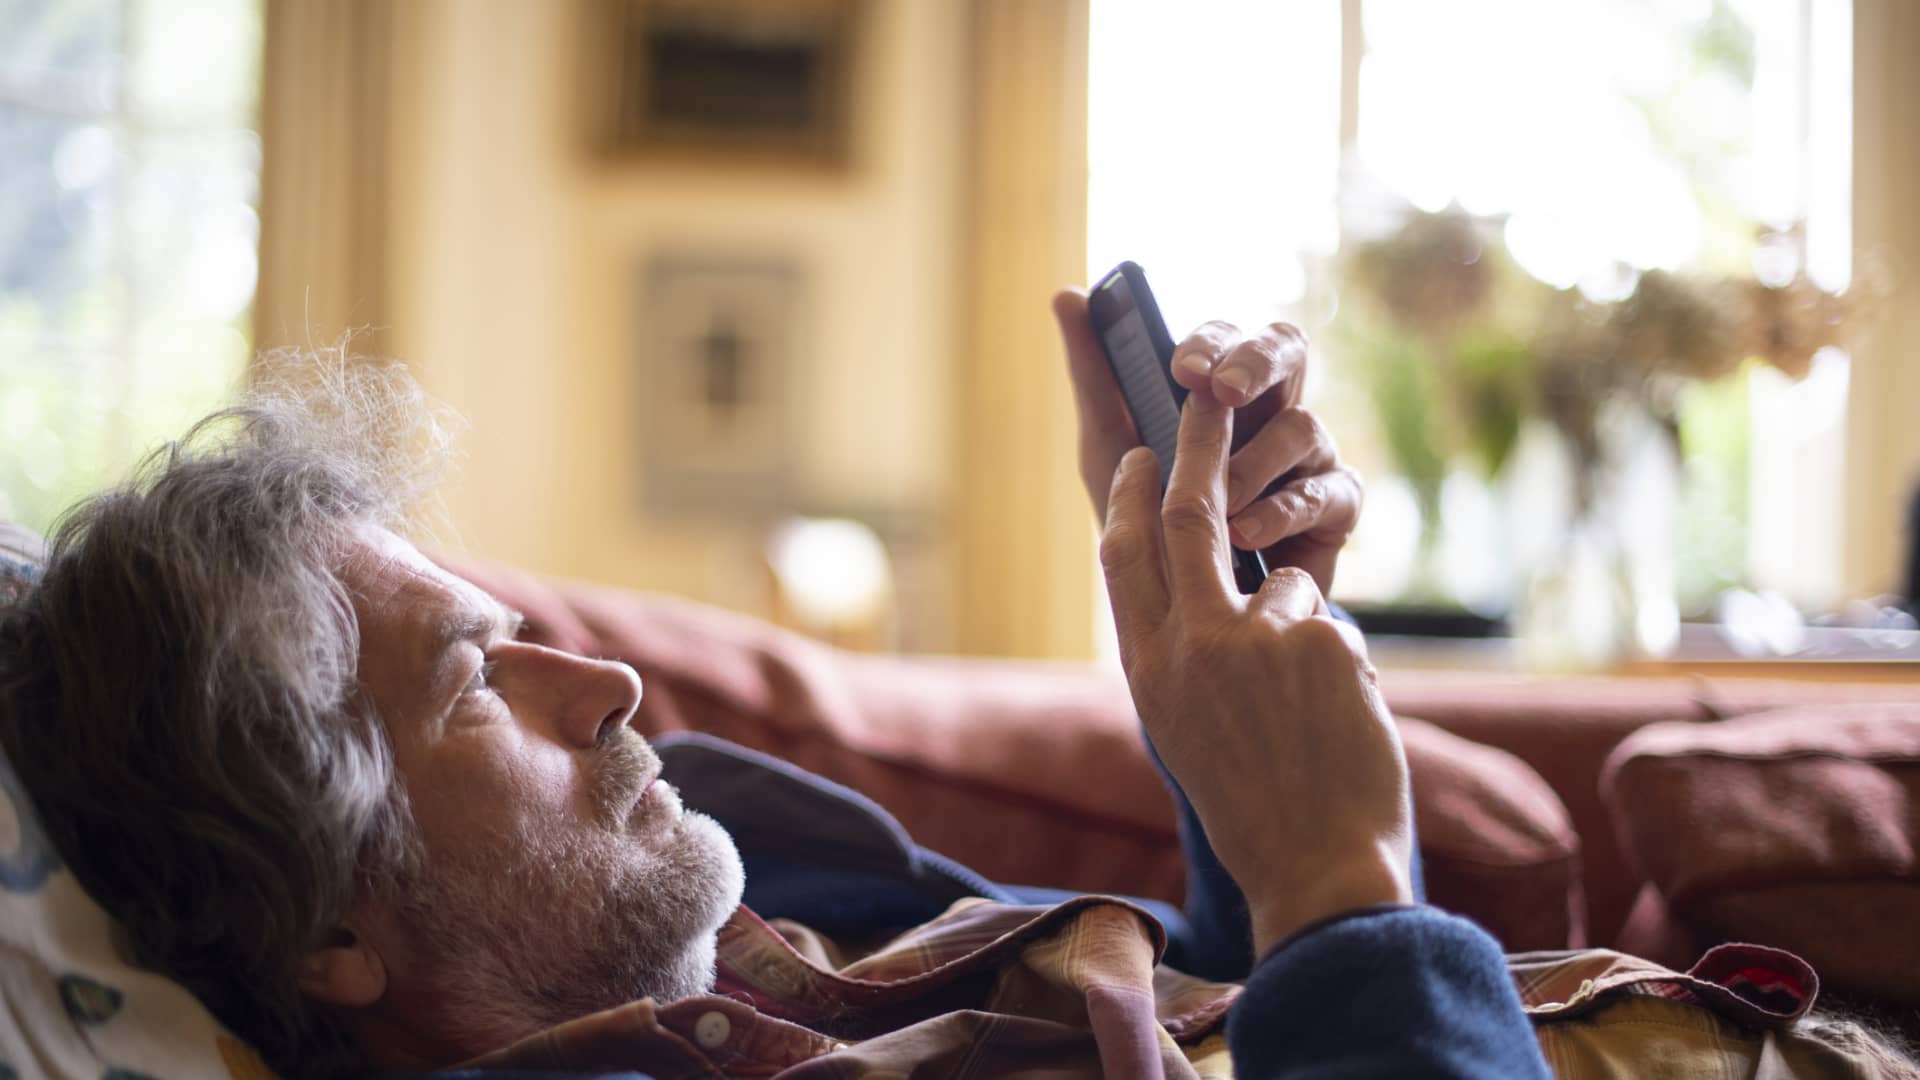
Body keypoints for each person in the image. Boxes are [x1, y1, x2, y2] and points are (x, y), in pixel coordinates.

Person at [0, 299, 1551, 1078]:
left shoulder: (777, 902)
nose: (606, 683)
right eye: (474, 681)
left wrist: (1204, 647)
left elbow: (1211, 1010)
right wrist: (1341, 883)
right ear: (329, 933)